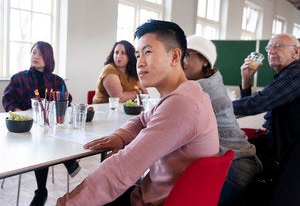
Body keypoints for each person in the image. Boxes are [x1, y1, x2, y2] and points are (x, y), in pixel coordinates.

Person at [57, 19, 219, 205]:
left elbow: (124, 167)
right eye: (137, 54)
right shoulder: (185, 93)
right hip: (155, 195)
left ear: (175, 57)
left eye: (148, 52)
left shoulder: (182, 103)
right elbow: (143, 120)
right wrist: (121, 136)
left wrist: (66, 203)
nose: (139, 63)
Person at [183, 35, 262, 206]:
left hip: (233, 169)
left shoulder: (200, 87)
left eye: (187, 55)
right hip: (243, 161)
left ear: (204, 61)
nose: (181, 61)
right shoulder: (213, 78)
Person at [2, 41, 81, 206]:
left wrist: (59, 104)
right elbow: (7, 98)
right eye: (33, 52)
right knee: (42, 139)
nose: (35, 56)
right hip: (27, 131)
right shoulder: (19, 78)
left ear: (48, 58)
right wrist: (20, 113)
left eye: (39, 53)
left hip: (49, 130)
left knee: (47, 136)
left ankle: (41, 192)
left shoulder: (57, 81)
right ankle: (68, 163)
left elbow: (66, 101)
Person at [233, 33, 300, 205]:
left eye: (278, 46)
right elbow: (251, 105)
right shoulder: (284, 76)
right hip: (282, 152)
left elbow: (258, 103)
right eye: (268, 47)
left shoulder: (296, 73)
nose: (271, 50)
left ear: (296, 52)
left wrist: (210, 106)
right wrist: (246, 79)